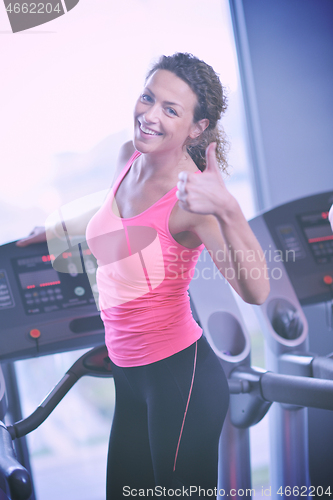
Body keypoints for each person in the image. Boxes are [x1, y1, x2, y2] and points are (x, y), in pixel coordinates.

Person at [17, 53, 270, 498]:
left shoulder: (194, 201)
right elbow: (115, 223)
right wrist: (53, 231)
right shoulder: (127, 157)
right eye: (148, 98)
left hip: (180, 379)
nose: (150, 116)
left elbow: (257, 289)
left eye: (171, 110)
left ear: (197, 127)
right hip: (130, 376)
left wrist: (228, 208)